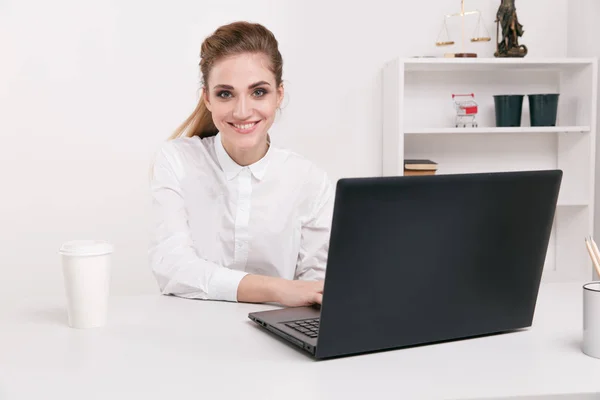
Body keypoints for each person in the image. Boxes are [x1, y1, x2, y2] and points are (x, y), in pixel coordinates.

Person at [148, 21, 334, 307]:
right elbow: (172, 266)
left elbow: (315, 290)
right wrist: (277, 290)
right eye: (226, 93)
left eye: (258, 92)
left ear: (279, 95)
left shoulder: (310, 180)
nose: (243, 111)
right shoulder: (176, 160)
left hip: (281, 338)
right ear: (207, 99)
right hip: (190, 333)